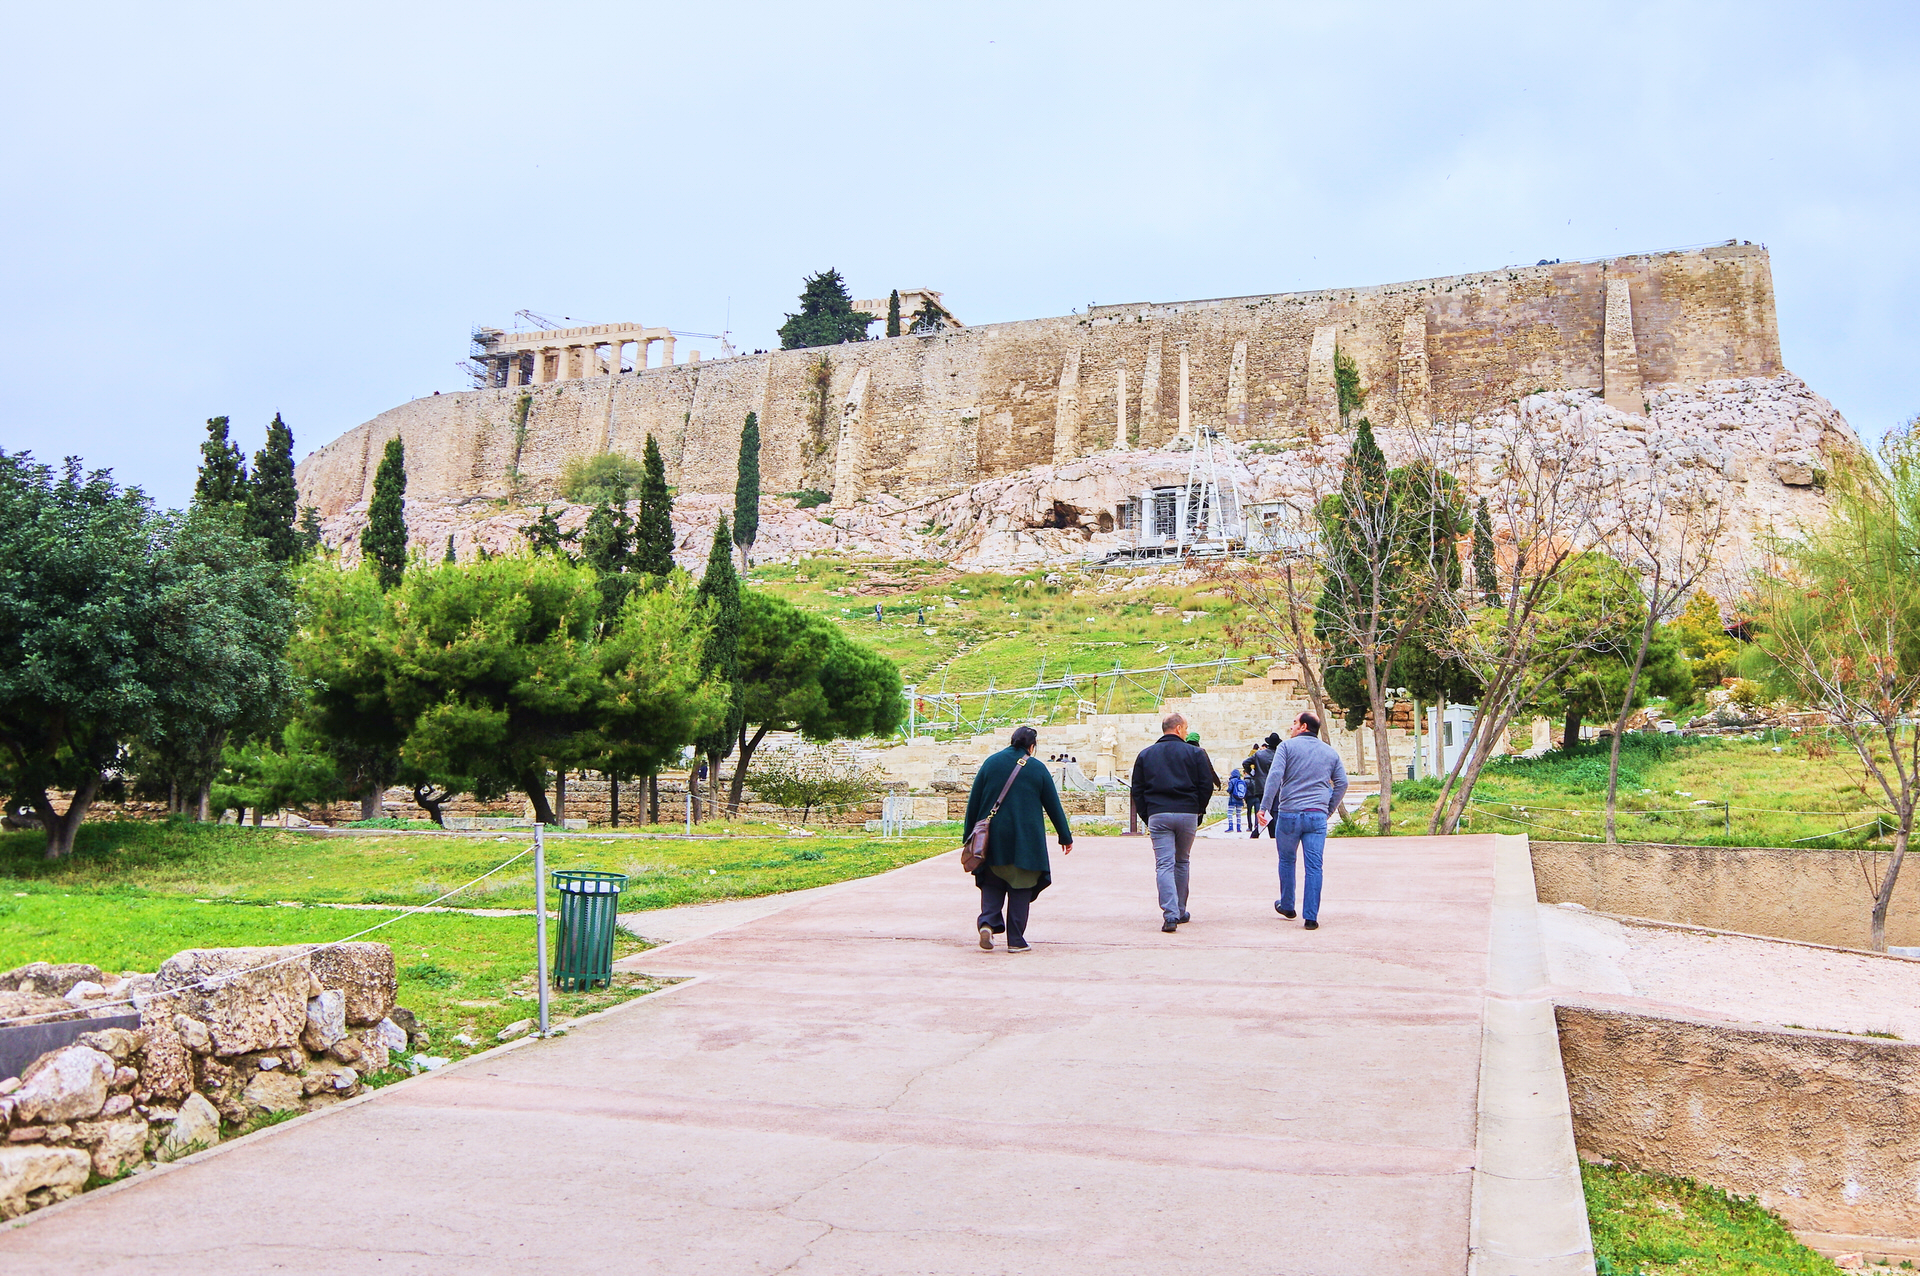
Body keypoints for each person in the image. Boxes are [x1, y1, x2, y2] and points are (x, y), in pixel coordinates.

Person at [965, 725, 1074, 953]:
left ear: (1012, 740)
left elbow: (974, 802)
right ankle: (1016, 940)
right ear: (1032, 746)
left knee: (992, 882)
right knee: (1021, 886)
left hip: (992, 838)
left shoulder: (991, 763)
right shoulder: (1037, 768)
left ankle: (987, 923)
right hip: (1026, 841)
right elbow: (1053, 805)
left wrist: (968, 836)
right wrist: (1064, 836)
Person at [1256, 712, 1349, 931]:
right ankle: (1311, 916)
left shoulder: (1286, 748)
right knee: (1314, 866)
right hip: (1316, 815)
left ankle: (1287, 905)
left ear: (1304, 726)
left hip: (1288, 813)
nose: (1291, 727)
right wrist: (1327, 809)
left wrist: (1264, 807)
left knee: (1287, 860)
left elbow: (1275, 777)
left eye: (1294, 722)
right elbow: (1342, 783)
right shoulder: (1330, 752)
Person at [1129, 712, 1219, 932]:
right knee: (1182, 861)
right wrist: (1199, 810)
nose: (1187, 732)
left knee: (1164, 864)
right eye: (1186, 728)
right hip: (1187, 812)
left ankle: (1169, 914)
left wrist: (1146, 814)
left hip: (1159, 813)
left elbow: (1137, 789)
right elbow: (1206, 785)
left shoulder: (1145, 755)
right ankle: (1180, 909)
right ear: (1179, 729)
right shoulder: (1195, 753)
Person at [1243, 733, 1278, 840]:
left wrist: (1253, 774)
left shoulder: (1259, 754)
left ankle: (1258, 833)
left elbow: (1245, 763)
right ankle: (1269, 834)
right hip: (1275, 787)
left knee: (1266, 811)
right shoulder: (1278, 755)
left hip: (1260, 786)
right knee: (1272, 811)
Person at [1225, 764, 1248, 832]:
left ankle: (1231, 827)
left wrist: (1228, 790)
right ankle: (1238, 828)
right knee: (1238, 814)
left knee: (1230, 813)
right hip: (1240, 800)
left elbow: (1230, 789)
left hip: (1232, 800)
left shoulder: (1232, 781)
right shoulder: (1242, 781)